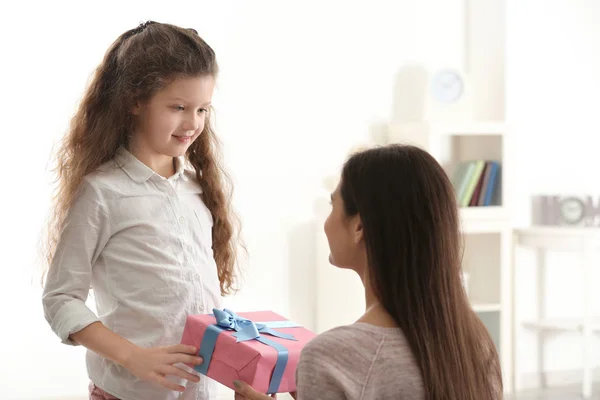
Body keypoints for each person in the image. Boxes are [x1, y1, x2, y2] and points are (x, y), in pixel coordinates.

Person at [41, 21, 240, 400]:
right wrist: (134, 357)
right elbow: (60, 299)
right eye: (178, 107)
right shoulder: (102, 193)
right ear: (135, 101)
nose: (193, 123)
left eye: (202, 109)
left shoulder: (197, 189)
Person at [233, 144, 503, 400]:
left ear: (359, 227)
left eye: (332, 206)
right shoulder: (474, 344)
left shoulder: (332, 356)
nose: (327, 222)